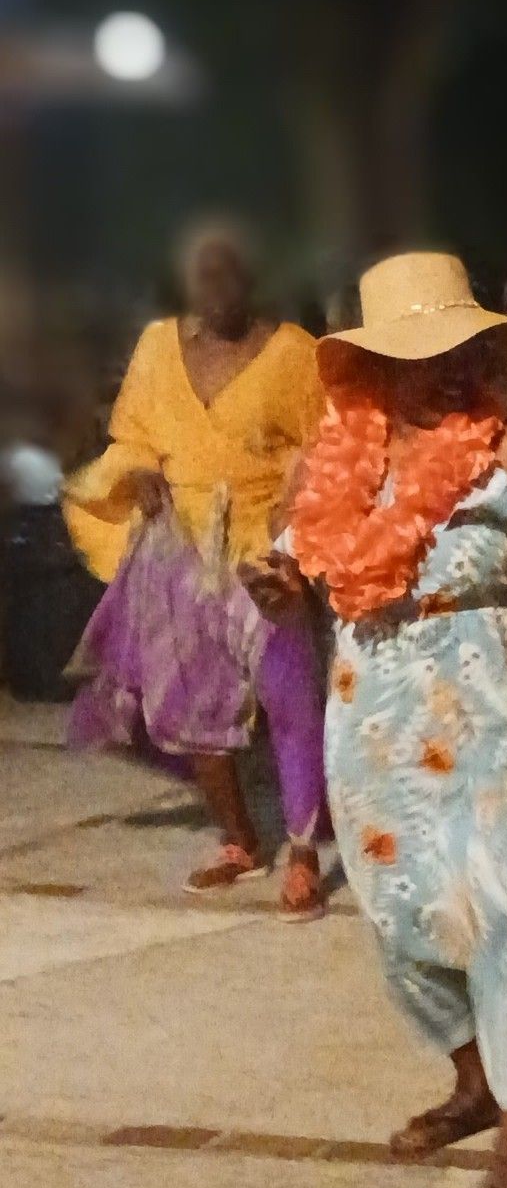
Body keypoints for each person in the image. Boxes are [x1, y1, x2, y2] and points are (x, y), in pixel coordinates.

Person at [253, 251, 507, 1188]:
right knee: (402, 912)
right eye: (418, 353)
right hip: (379, 703)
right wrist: (277, 588)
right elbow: (298, 573)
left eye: (457, 347)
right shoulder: (335, 464)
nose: (442, 367)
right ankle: (471, 1074)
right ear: (370, 366)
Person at [63, 218, 331, 919]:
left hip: (262, 551)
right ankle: (239, 839)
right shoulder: (157, 347)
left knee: (290, 697)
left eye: (229, 272)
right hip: (178, 552)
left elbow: (324, 447)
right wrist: (142, 475)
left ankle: (302, 853)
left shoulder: (296, 353)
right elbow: (132, 437)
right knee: (187, 707)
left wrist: (295, 526)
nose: (214, 289)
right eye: (201, 275)